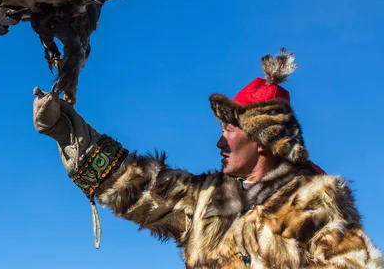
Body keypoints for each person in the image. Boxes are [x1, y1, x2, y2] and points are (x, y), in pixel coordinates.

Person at [32, 49, 383, 268]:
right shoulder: (209, 198)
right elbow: (138, 187)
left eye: (229, 131)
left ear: (263, 140)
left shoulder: (313, 205)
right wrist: (68, 132)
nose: (219, 142)